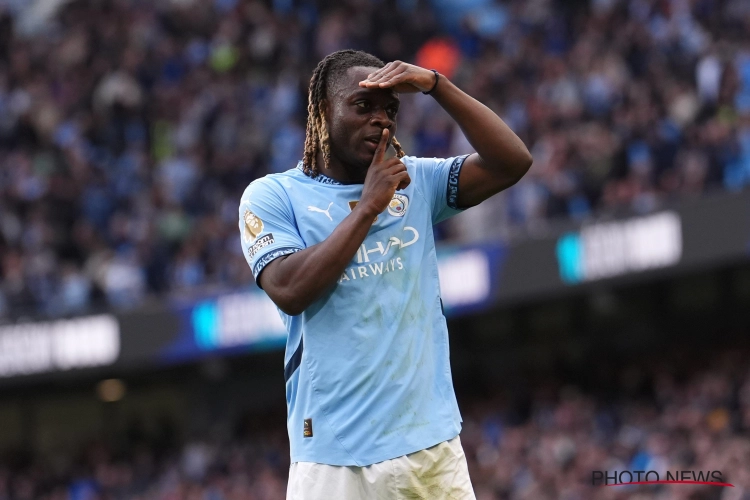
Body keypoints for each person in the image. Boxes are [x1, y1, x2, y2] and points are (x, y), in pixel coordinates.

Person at [238, 50, 532, 499]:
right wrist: (371, 204)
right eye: (363, 107)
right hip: (334, 459)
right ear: (322, 111)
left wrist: (438, 85)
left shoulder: (415, 182)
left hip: (430, 448)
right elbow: (289, 289)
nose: (381, 121)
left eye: (389, 110)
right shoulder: (273, 196)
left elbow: (512, 161)